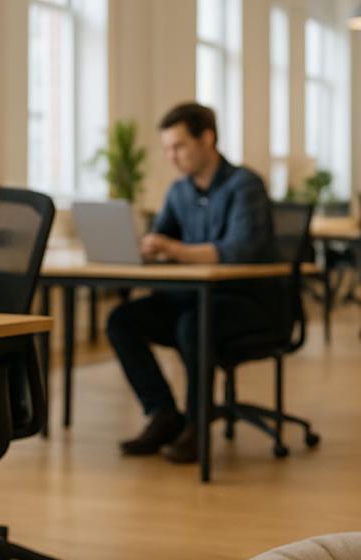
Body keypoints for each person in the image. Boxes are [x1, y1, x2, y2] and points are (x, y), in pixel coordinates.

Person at [106, 102, 278, 464]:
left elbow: (239, 250)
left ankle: (197, 428)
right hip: (194, 298)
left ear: (207, 139)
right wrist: (147, 247)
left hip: (250, 303)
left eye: (179, 146)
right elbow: (163, 238)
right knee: (122, 320)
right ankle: (164, 414)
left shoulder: (244, 185)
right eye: (167, 148)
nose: (172, 156)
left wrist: (173, 248)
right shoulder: (179, 192)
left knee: (193, 323)